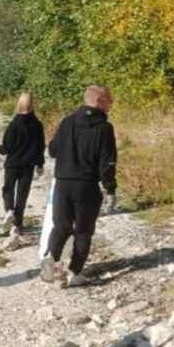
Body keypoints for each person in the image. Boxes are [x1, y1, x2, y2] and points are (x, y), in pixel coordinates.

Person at [41, 85, 117, 287]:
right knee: (83, 231)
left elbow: (53, 150)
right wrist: (110, 188)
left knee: (61, 227)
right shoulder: (104, 128)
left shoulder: (67, 122)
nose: (112, 103)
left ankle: (54, 265)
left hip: (63, 184)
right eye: (109, 99)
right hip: (87, 186)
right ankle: (74, 272)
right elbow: (107, 162)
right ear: (99, 101)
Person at [0, 92, 45, 237]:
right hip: (28, 165)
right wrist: (40, 164)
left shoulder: (13, 125)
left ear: (19, 104)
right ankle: (17, 225)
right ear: (33, 104)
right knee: (22, 194)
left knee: (8, 189)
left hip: (12, 164)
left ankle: (9, 211)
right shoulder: (37, 125)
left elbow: (6, 148)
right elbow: (40, 146)